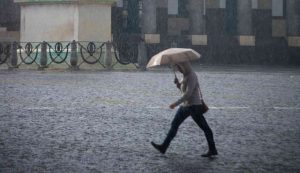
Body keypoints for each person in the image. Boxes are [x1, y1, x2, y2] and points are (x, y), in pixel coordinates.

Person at [151, 61, 218, 157]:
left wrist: (175, 103)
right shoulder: (185, 75)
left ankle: (213, 149)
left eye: (179, 68)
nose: (179, 70)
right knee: (175, 124)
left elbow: (188, 94)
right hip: (186, 106)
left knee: (206, 128)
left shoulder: (192, 76)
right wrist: (178, 85)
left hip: (194, 106)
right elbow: (184, 92)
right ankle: (164, 147)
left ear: (184, 66)